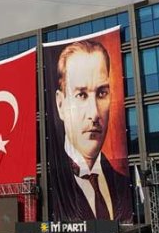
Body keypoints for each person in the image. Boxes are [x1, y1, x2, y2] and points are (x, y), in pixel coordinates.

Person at [49, 39, 132, 220]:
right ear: (61, 104)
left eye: (102, 93)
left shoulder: (123, 183)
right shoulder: (51, 181)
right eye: (81, 95)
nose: (94, 114)